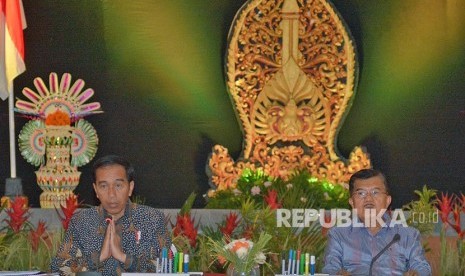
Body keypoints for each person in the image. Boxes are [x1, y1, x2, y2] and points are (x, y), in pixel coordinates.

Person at [51, 155, 171, 274]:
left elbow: (167, 268)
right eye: (103, 186)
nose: (111, 194)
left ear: (130, 188)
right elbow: (59, 269)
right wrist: (99, 258)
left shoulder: (152, 219)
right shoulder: (81, 221)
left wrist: (124, 257)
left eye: (118, 185)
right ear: (96, 190)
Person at [322, 169, 431, 276]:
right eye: (361, 193)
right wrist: (338, 274)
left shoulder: (407, 235)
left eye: (375, 192)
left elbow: (422, 268)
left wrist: (417, 273)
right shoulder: (339, 235)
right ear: (352, 202)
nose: (368, 199)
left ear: (387, 201)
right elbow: (330, 268)